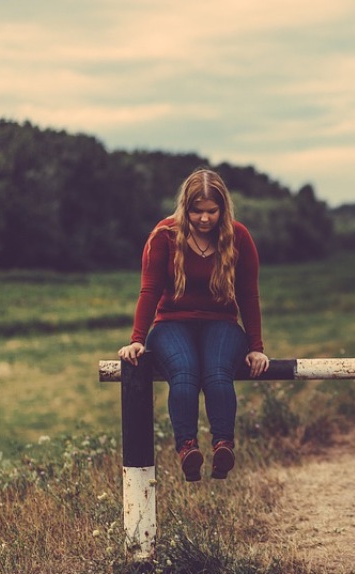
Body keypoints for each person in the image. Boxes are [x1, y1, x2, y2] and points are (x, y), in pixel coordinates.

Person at [118, 168, 269, 482]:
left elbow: (248, 294)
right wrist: (137, 338)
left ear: (223, 209)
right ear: (185, 208)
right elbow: (150, 289)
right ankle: (187, 449)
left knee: (216, 373)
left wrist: (256, 348)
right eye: (197, 211)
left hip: (222, 323)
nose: (204, 219)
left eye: (211, 212)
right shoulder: (164, 235)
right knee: (184, 372)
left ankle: (223, 447)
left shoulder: (238, 236)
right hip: (172, 323)